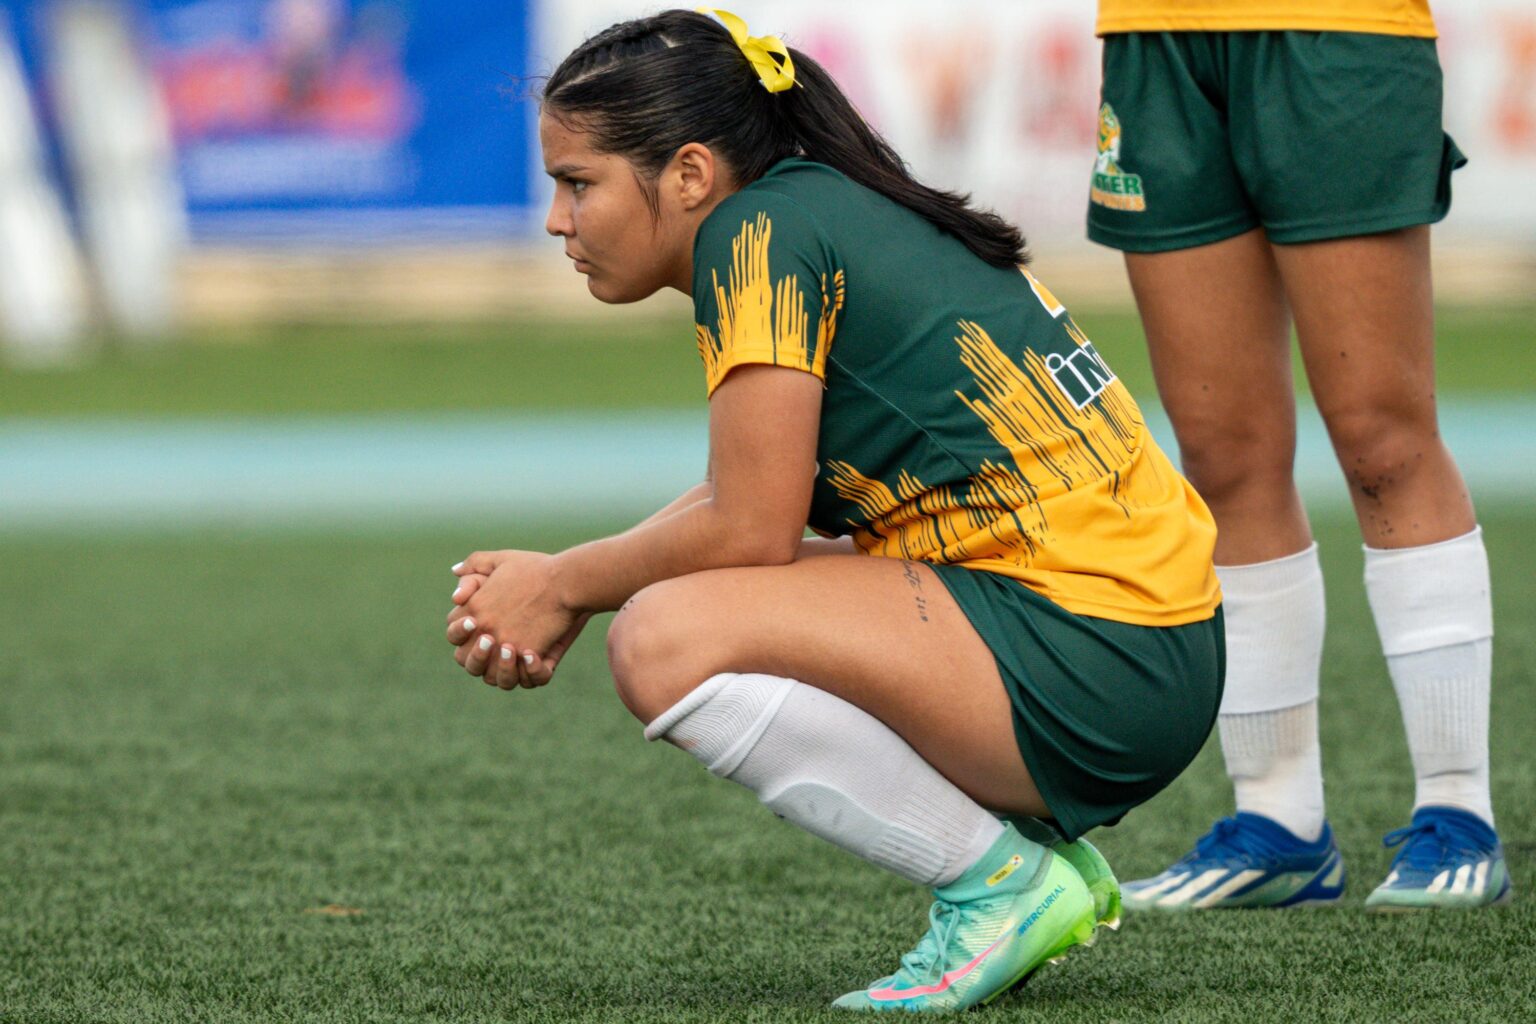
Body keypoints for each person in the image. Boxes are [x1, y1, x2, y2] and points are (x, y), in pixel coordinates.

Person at [446, 9, 1224, 1011]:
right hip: (1145, 648)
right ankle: (1035, 859)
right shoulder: (817, 208)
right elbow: (754, 494)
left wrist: (564, 584)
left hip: (1100, 659)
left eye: (578, 182)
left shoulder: (755, 233)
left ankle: (1002, 884)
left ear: (689, 175)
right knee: (684, 606)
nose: (558, 219)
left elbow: (750, 528)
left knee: (663, 640)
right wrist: (565, 583)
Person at [1088, 0, 1508, 911]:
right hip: (1151, 36)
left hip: (1336, 28)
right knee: (1221, 451)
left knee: (1381, 439)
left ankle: (1458, 809)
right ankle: (1280, 824)